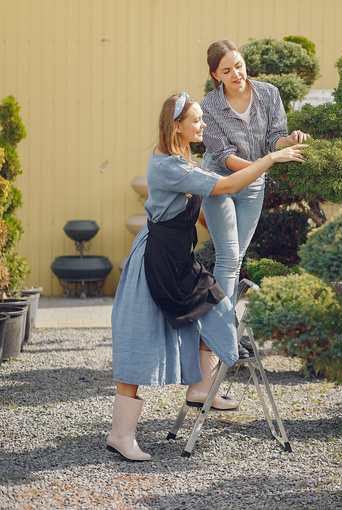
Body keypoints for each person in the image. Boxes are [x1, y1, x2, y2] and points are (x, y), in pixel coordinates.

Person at [107, 92, 306, 461]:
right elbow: (227, 186)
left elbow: (216, 179)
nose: (203, 125)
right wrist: (271, 158)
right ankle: (121, 435)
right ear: (176, 126)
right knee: (139, 339)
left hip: (175, 257)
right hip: (154, 260)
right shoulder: (169, 165)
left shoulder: (182, 156)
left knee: (214, 303)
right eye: (197, 120)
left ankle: (200, 389)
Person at [199, 39, 310, 308]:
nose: (236, 75)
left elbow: (274, 139)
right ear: (215, 75)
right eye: (226, 71)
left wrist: (289, 140)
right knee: (227, 257)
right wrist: (266, 163)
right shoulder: (208, 107)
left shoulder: (269, 94)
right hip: (220, 182)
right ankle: (222, 333)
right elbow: (224, 157)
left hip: (253, 184)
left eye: (239, 66)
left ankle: (222, 324)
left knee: (237, 258)